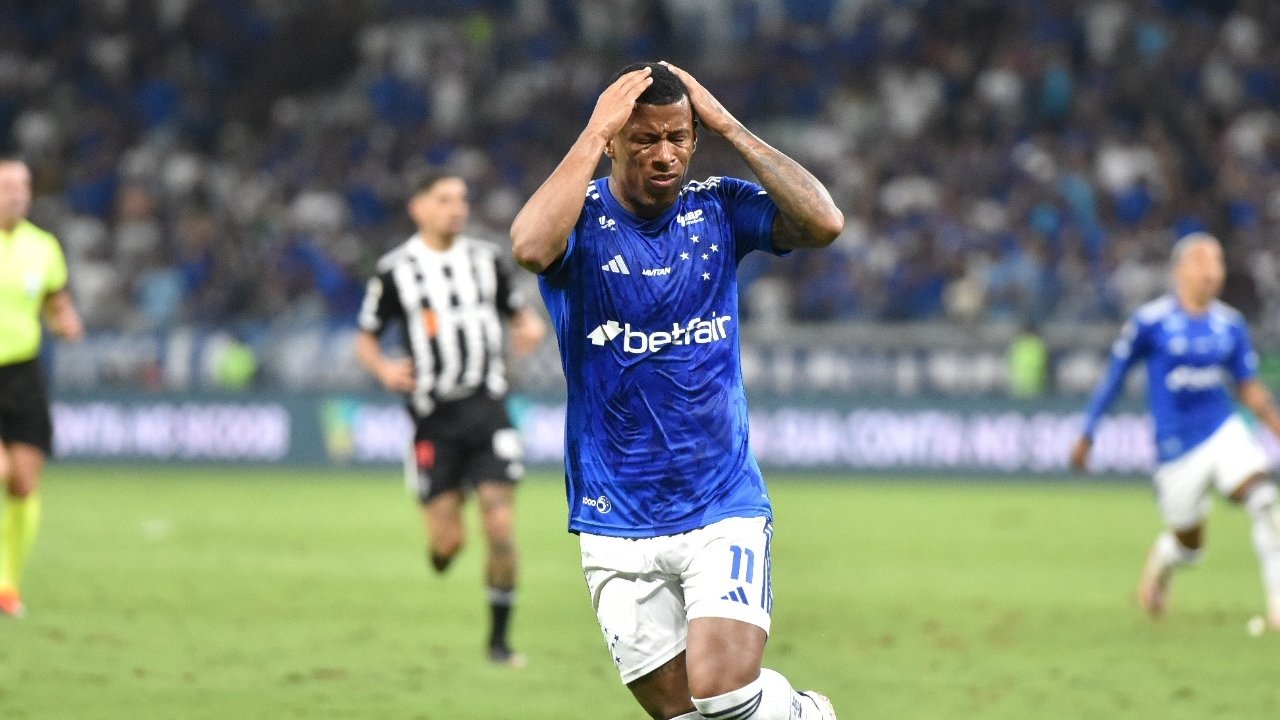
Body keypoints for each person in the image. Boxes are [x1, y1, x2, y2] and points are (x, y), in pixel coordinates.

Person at [510, 62, 844, 720]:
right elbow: (527, 246)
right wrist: (591, 131)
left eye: (679, 137)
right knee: (685, 715)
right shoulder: (579, 219)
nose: (665, 154)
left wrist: (727, 126)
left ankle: (805, 713)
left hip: (721, 503)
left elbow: (825, 222)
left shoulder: (718, 206)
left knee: (722, 694)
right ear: (613, 141)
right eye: (643, 139)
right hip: (613, 515)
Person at [355, 172, 546, 666]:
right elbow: (366, 337)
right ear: (419, 208)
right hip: (433, 418)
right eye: (443, 200)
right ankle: (445, 526)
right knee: (447, 544)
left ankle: (499, 644)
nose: (456, 208)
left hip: (488, 407)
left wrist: (528, 327)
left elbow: (519, 314)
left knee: (500, 524)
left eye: (461, 199)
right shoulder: (396, 270)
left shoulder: (487, 261)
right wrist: (383, 368)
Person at [1071, 233, 1280, 631]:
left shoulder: (1230, 325)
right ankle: (1163, 561)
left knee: (1264, 497)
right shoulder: (1150, 323)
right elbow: (1114, 379)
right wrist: (1087, 433)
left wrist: (1275, 427)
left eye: (1217, 262)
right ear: (1180, 271)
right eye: (1201, 261)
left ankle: (1277, 606)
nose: (1211, 271)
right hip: (1175, 448)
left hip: (1223, 429)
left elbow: (1248, 386)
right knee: (1189, 547)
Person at [0, 157, 84, 617]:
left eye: (23, 185)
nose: (16, 193)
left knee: (24, 481)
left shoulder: (43, 247)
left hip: (22, 372)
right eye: (7, 185)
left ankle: (6, 585)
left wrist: (66, 322)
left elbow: (56, 301)